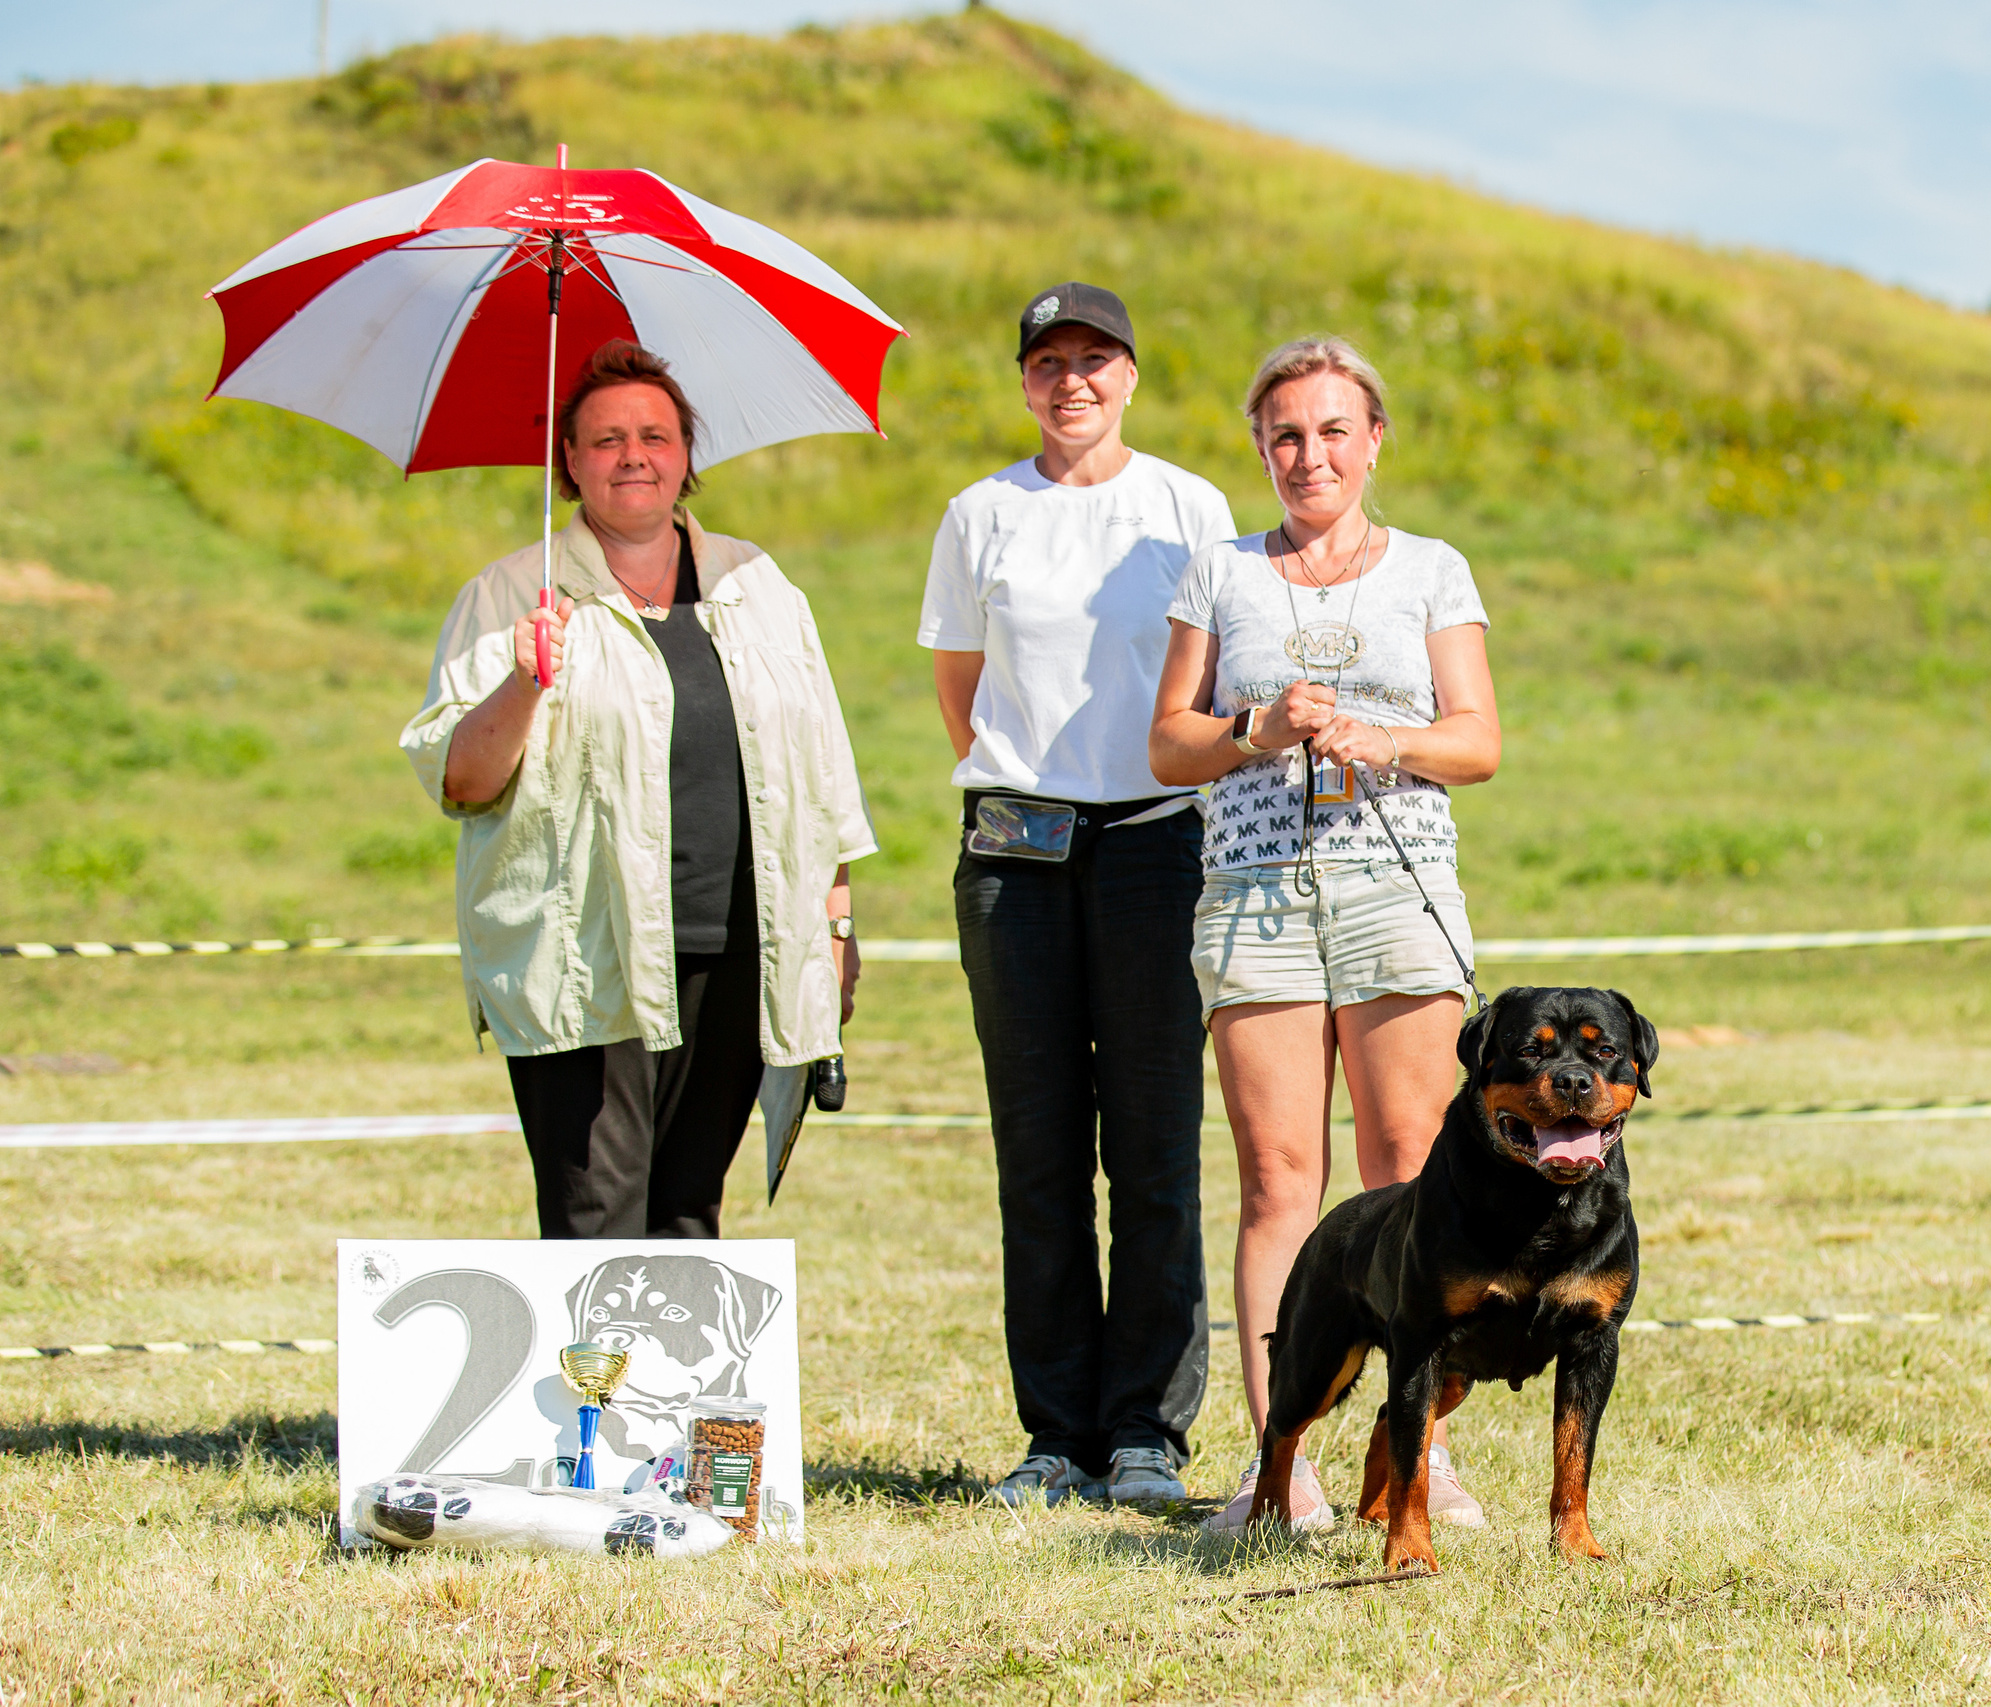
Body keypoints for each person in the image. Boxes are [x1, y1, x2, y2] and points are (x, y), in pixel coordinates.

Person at [400, 339, 872, 1239]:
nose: (633, 455)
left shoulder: (758, 583)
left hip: (739, 947)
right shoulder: (508, 594)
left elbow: (824, 776)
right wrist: (523, 680)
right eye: (606, 438)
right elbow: (460, 779)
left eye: (655, 435)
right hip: (584, 953)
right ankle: (594, 1389)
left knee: (691, 1204)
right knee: (595, 1214)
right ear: (568, 462)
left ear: (686, 453)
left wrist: (837, 926)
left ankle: (668, 1387)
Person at [1150, 336, 1502, 1532]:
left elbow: (1479, 742)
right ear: (1261, 447)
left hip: (1396, 895)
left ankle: (1418, 1457)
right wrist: (1252, 727)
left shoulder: (1433, 572)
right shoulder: (1218, 573)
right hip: (1253, 897)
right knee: (1275, 1185)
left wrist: (1384, 739)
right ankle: (1277, 1468)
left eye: (1332, 431)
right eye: (1286, 435)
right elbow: (1168, 745)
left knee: (1407, 1178)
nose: (1309, 455)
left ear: (1373, 441)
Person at [918, 283, 1238, 1508]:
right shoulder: (979, 513)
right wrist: (1032, 787)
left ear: (1132, 374)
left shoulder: (1187, 507)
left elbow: (1211, 676)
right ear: (1023, 381)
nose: (1072, 382)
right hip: (1017, 851)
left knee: (1154, 1148)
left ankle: (1147, 1433)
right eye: (1047, 362)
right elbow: (962, 686)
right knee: (1038, 1149)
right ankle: (1054, 1434)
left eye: (1094, 359)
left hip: (1157, 843)